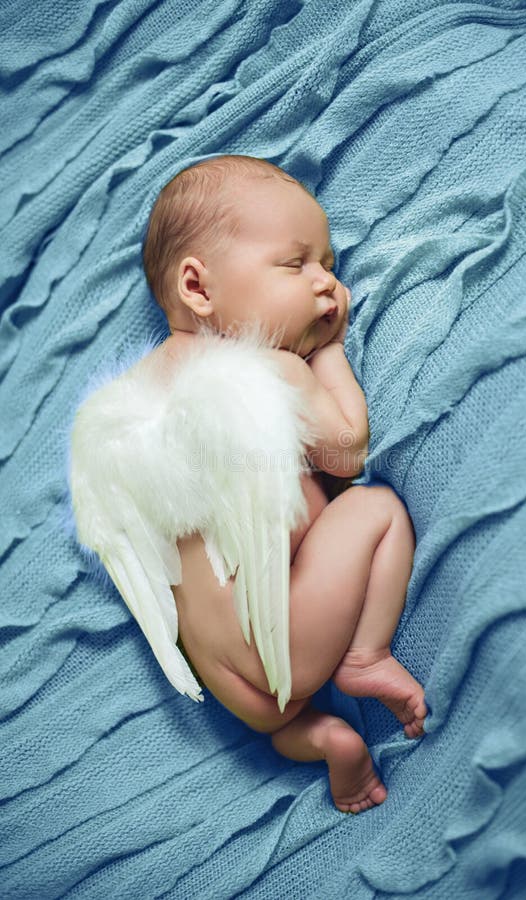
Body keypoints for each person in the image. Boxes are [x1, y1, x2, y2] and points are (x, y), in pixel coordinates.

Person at [140, 154, 427, 814]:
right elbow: (348, 451)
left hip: (224, 681)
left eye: (327, 264)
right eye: (296, 264)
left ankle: (319, 737)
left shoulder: (147, 395)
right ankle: (362, 656)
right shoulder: (264, 367)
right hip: (285, 639)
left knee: (281, 711)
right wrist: (327, 352)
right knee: (377, 509)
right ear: (200, 288)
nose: (328, 285)